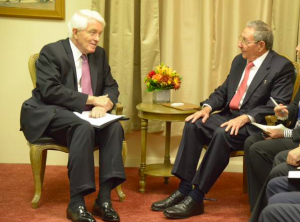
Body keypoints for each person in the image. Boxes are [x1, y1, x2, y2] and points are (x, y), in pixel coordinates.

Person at [151, 20, 294, 220]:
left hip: (253, 125)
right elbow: (223, 91)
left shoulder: (282, 66)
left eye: (245, 40)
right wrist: (207, 107)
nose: (239, 44)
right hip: (229, 116)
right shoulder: (239, 61)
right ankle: (183, 189)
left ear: (261, 45)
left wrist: (246, 117)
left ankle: (196, 197)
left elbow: (277, 105)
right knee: (193, 124)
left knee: (223, 134)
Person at [20, 10, 125, 222]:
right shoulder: (51, 52)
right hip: (53, 113)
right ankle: (76, 203)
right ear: (75, 32)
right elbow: (50, 91)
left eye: (99, 33)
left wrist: (105, 105)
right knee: (81, 127)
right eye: (92, 32)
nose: (97, 38)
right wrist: (93, 100)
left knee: (114, 127)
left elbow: (111, 86)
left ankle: (103, 200)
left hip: (86, 116)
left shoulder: (99, 54)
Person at [244, 43, 300, 216]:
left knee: (264, 152)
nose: (296, 48)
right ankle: (258, 206)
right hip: (295, 134)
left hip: (296, 138)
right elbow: (295, 107)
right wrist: (283, 113)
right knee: (251, 142)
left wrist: (285, 132)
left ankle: (266, 210)